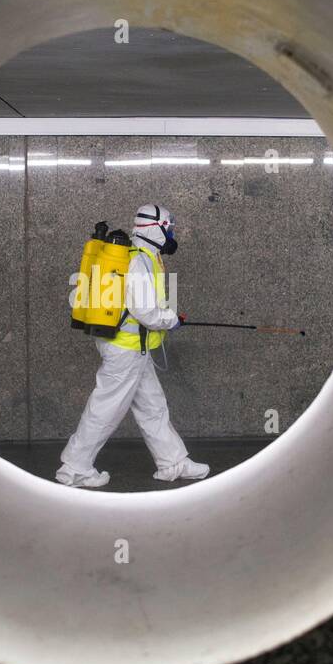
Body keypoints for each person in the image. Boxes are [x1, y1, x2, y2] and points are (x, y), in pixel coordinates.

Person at [56, 204, 211, 488]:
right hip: (125, 350)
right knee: (106, 409)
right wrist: (171, 320)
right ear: (156, 229)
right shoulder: (138, 261)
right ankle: (75, 468)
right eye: (169, 228)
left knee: (153, 407)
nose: (172, 234)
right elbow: (146, 312)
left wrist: (167, 320)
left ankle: (173, 463)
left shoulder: (144, 257)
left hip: (131, 348)